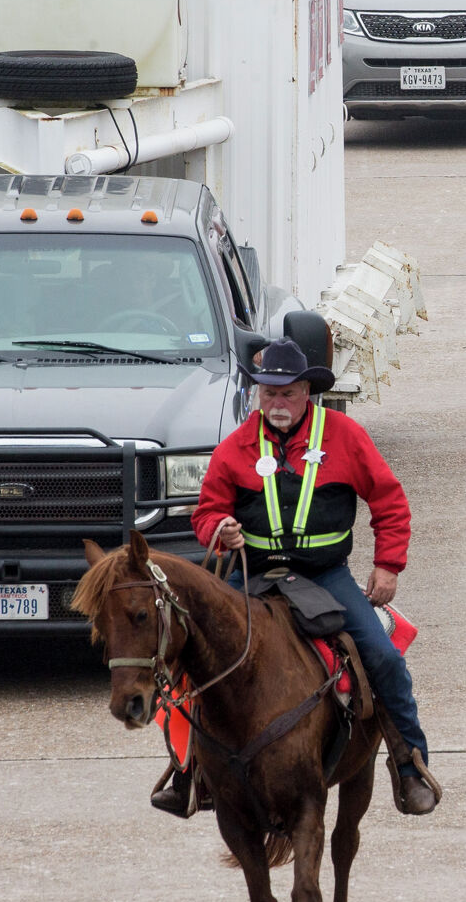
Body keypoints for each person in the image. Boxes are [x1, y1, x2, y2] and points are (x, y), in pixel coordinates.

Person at [173, 338, 440, 817]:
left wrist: (388, 565)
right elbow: (208, 509)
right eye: (268, 393)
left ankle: (409, 764)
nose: (276, 403)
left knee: (382, 657)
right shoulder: (235, 447)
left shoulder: (344, 436)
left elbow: (389, 502)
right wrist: (220, 529)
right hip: (253, 578)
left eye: (288, 393)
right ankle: (189, 771)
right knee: (191, 655)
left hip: (325, 577)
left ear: (308, 393)